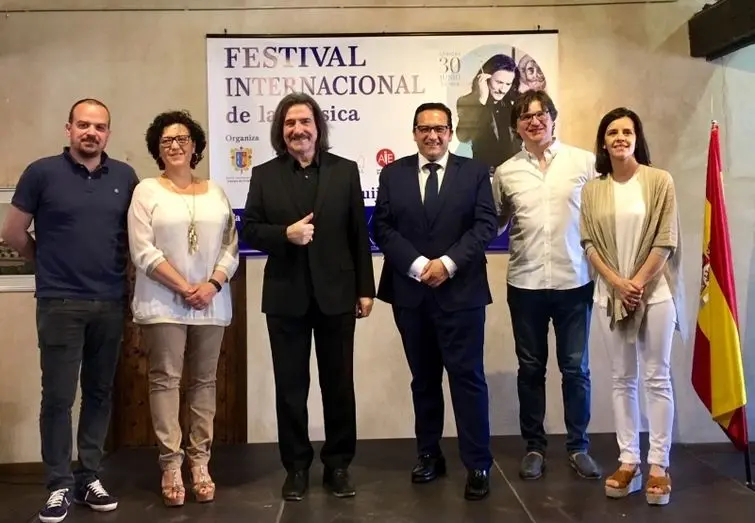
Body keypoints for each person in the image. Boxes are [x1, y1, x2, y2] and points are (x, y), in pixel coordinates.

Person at [0, 98, 137, 523]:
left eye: (99, 127)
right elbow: (12, 231)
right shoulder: (41, 173)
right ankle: (59, 484)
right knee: (58, 397)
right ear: (69, 129)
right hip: (59, 303)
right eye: (83, 125)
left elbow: (136, 236)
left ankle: (88, 477)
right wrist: (45, 263)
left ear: (108, 133)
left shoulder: (125, 177)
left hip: (110, 302)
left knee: (99, 392)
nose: (91, 132)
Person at [241, 92, 375, 501]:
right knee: (290, 388)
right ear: (280, 131)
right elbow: (250, 229)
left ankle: (338, 465)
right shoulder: (264, 175)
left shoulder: (344, 171)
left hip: (337, 294)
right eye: (289, 123)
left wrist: (365, 289)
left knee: (339, 385)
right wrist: (286, 234)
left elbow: (358, 233)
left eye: (304, 122)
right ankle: (296, 467)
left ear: (318, 127)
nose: (297, 129)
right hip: (286, 297)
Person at [372, 102, 497, 500]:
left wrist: (447, 263)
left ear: (450, 132)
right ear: (414, 133)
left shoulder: (474, 172)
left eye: (439, 128)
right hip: (411, 294)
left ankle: (478, 463)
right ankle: (429, 454)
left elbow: (485, 225)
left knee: (468, 379)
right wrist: (417, 265)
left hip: (462, 293)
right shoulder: (393, 174)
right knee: (423, 380)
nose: (432, 135)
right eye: (424, 129)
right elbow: (382, 227)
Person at [127, 110, 239, 507]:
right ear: (157, 150)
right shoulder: (146, 191)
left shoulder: (216, 192)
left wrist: (211, 285)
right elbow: (142, 250)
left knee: (205, 382)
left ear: (195, 147)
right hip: (163, 302)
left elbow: (231, 247)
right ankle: (171, 465)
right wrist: (184, 286)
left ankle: (200, 463)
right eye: (166, 141)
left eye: (182, 139)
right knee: (165, 380)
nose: (175, 145)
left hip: (211, 301)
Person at [492, 90, 602, 481]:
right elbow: (495, 222)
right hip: (525, 284)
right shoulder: (505, 172)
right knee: (530, 369)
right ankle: (534, 447)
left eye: (541, 114)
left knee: (576, 369)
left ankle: (578, 446)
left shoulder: (584, 163)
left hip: (575, 280)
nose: (534, 121)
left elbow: (601, 213)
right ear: (516, 127)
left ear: (553, 118)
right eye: (525, 117)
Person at [580, 107, 685, 506]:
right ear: (603, 142)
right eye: (612, 132)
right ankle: (629, 461)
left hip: (654, 293)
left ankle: (659, 464)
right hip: (611, 294)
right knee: (622, 379)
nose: (620, 138)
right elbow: (588, 243)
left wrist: (637, 283)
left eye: (627, 131)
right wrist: (617, 283)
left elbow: (666, 238)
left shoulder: (659, 181)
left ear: (637, 138)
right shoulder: (593, 189)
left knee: (657, 377)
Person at [456, 53, 521, 173]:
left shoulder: (515, 104)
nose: (503, 90)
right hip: (484, 174)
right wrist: (482, 100)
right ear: (485, 78)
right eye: (499, 82)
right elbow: (463, 137)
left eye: (508, 84)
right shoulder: (468, 102)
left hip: (514, 173)